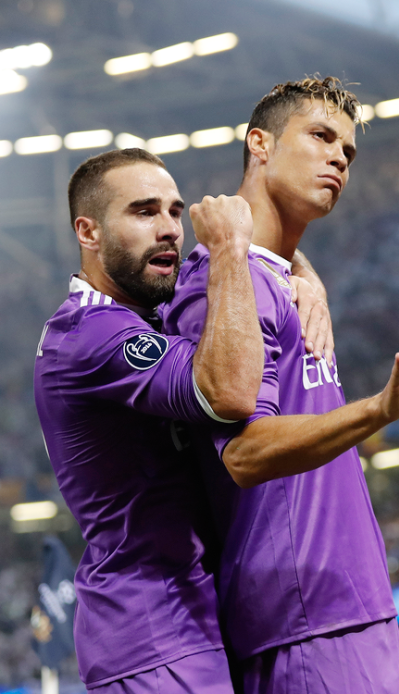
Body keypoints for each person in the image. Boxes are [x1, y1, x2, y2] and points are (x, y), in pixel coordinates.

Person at [163, 77, 399, 694]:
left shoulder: (284, 280)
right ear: (259, 144)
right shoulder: (221, 285)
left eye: (348, 151)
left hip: (354, 611)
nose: (338, 159)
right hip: (300, 626)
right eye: (321, 136)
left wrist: (301, 269)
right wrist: (378, 409)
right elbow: (244, 452)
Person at [33, 147, 267, 693]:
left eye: (174, 212)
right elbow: (231, 393)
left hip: (195, 619)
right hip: (151, 636)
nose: (169, 229)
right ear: (88, 232)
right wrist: (231, 249)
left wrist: (304, 276)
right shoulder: (88, 335)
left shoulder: (147, 311)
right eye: (143, 212)